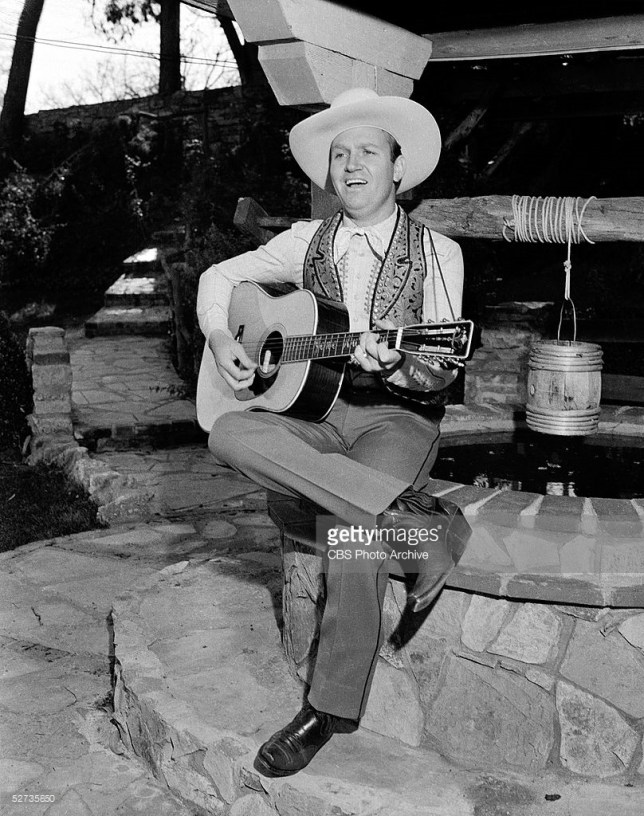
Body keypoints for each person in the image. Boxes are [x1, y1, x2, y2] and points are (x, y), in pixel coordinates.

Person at [196, 87, 470, 778]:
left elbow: (441, 372)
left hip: (396, 421)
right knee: (227, 431)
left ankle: (328, 709)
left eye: (368, 152)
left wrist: (401, 365)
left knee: (350, 538)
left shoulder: (437, 253)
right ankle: (420, 528)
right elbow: (219, 276)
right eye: (340, 154)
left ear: (398, 169)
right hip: (316, 421)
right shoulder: (303, 242)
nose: (352, 164)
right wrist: (222, 334)